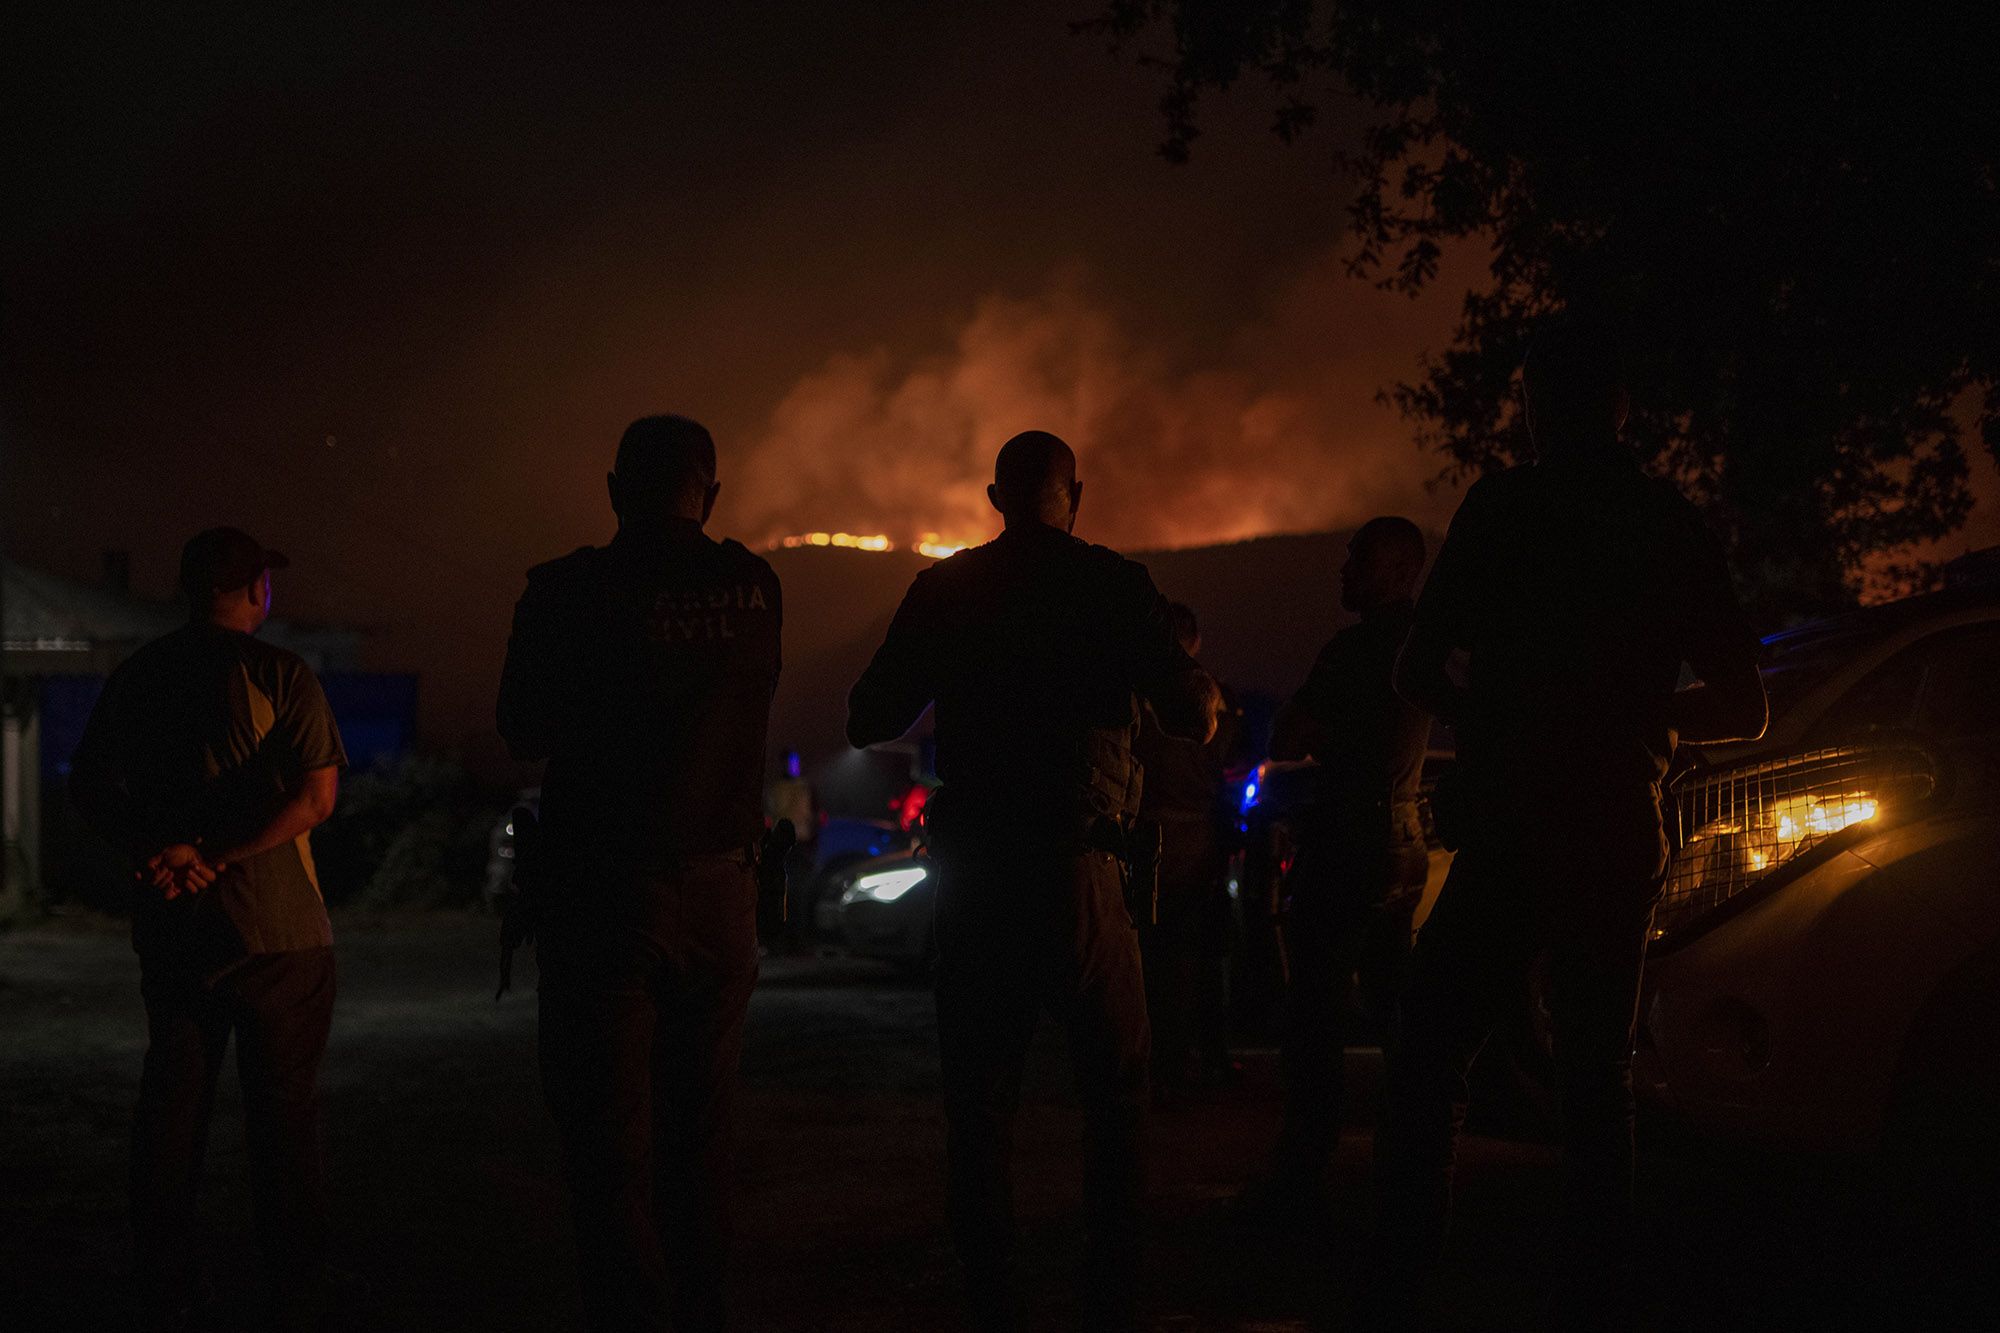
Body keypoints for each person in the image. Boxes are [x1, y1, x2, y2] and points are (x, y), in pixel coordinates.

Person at [1372, 319, 1768, 1324]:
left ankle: (1403, 1276)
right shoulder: (1665, 524)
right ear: (1621, 410)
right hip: (1611, 823)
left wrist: (1495, 716)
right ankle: (1594, 1289)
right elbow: (1741, 705)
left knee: (1430, 1048)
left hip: (1510, 820)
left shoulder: (1501, 510)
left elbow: (1415, 668)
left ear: (1533, 410)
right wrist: (1636, 715)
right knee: (1596, 1073)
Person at [847, 430, 1219, 1333]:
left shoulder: (947, 588)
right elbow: (1190, 716)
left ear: (993, 495)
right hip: (1077, 871)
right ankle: (1111, 1293)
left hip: (978, 875)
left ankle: (990, 1298)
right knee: (1117, 1097)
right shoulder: (1115, 585)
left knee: (979, 1107)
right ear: (1074, 494)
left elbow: (868, 715)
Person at [497, 415, 781, 1333]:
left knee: (606, 1139)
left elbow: (522, 728)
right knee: (700, 1138)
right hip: (722, 894)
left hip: (605, 890)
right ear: (714, 494)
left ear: (614, 490)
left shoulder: (565, 590)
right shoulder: (753, 585)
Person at [70, 527, 347, 1332]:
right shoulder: (279, 672)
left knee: (171, 1110)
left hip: (176, 928)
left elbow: (88, 786)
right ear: (259, 589)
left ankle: (164, 1283)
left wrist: (159, 852)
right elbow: (316, 799)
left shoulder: (140, 674)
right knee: (285, 1119)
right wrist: (218, 852)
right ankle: (293, 1288)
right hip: (279, 935)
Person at [1255, 517, 1431, 1211]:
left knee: (1316, 1007)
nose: (1342, 570)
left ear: (1396, 570)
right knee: (1395, 1005)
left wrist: (1329, 737)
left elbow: (1286, 733)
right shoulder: (1426, 647)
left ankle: (1305, 1164)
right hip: (1405, 837)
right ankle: (1412, 1157)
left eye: (1358, 559)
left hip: (1348, 840)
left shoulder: (1352, 650)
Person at [1130, 601, 1234, 1105]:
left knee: (1156, 953)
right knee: (1197, 955)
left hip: (1153, 842)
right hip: (1196, 842)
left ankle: (1162, 1059)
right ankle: (1203, 1057)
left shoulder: (1138, 702)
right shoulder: (1214, 702)